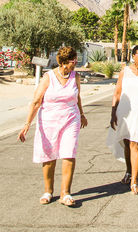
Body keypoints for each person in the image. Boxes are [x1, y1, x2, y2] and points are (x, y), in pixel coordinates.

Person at [17, 46, 88, 206]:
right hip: (49, 121)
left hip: (71, 120)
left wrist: (82, 114)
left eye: (75, 59)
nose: (75, 63)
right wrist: (27, 124)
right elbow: (36, 102)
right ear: (63, 63)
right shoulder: (48, 77)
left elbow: (78, 97)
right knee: (49, 157)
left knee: (69, 154)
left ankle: (66, 193)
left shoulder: (75, 76)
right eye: (72, 61)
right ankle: (48, 191)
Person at [107, 44, 138, 195]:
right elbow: (117, 92)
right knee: (127, 142)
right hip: (125, 113)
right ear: (133, 56)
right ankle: (129, 172)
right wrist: (113, 112)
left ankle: (134, 181)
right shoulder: (125, 71)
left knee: (136, 143)